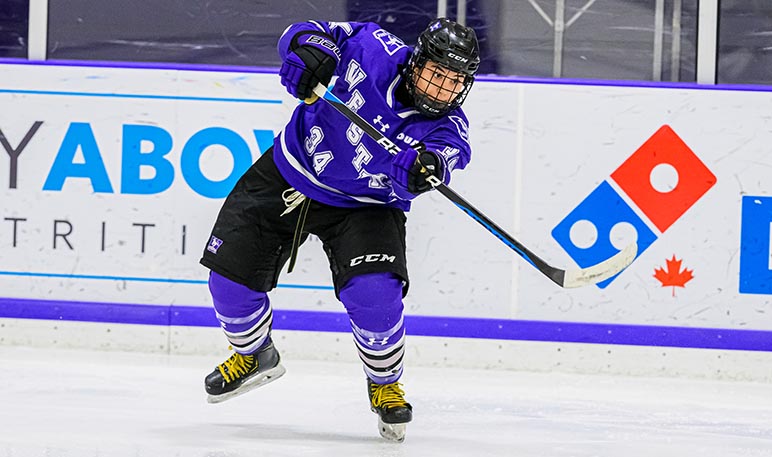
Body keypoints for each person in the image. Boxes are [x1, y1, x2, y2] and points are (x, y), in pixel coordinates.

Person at [199, 17, 480, 442]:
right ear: (416, 61)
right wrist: (307, 50)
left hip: (365, 208)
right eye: (436, 73)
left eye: (453, 80)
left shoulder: (448, 127)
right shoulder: (373, 47)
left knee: (376, 298)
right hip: (290, 171)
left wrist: (423, 170)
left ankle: (385, 384)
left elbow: (444, 159)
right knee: (228, 283)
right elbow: (304, 31)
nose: (442, 88)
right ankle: (254, 356)